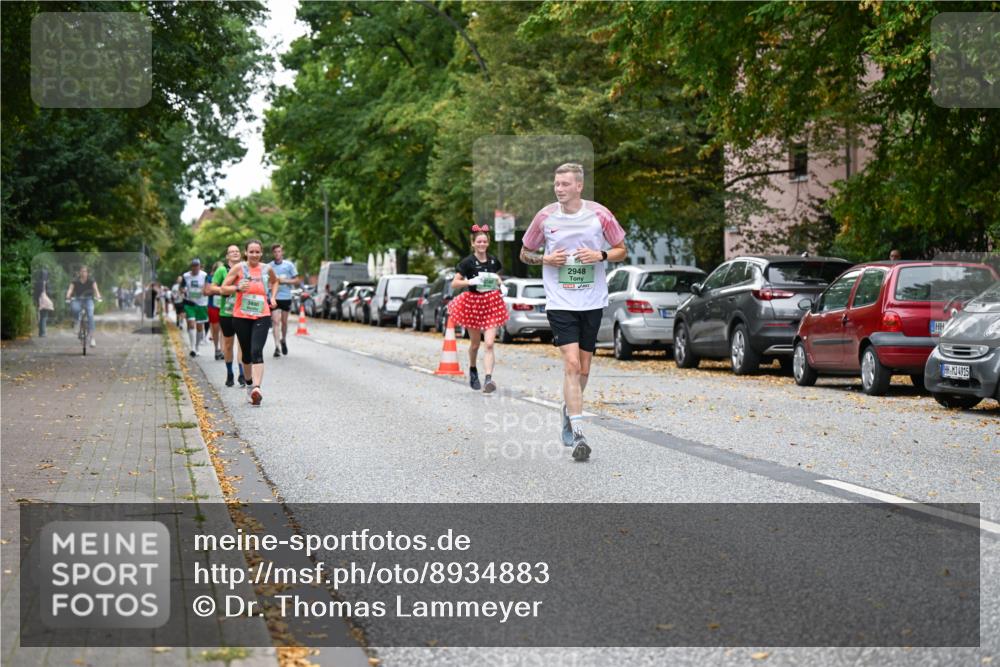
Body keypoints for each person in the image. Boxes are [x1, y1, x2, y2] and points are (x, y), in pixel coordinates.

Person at [520, 163, 627, 462]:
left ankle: (570, 408)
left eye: (565, 184)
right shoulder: (544, 217)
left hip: (592, 301)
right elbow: (524, 253)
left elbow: (621, 249)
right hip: (560, 302)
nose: (559, 188)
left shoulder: (600, 215)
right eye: (556, 183)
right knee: (570, 364)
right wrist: (545, 258)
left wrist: (600, 255)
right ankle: (578, 432)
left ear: (579, 186)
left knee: (584, 368)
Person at [447, 224, 509, 393]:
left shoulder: (494, 260)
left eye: (484, 241)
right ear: (473, 244)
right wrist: (469, 282)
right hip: (473, 304)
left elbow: (495, 276)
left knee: (489, 344)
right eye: (478, 242)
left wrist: (501, 286)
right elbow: (454, 283)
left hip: (491, 304)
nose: (482, 244)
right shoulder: (467, 262)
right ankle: (473, 369)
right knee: (475, 344)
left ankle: (488, 379)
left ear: (488, 243)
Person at [220, 239, 279, 406]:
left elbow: (275, 281)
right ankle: (248, 385)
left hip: (262, 314)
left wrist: (272, 296)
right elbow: (223, 288)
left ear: (261, 253)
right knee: (246, 354)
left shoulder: (267, 268)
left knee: (256, 350)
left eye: (257, 252)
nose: (254, 254)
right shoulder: (239, 268)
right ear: (246, 253)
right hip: (241, 316)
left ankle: (257, 388)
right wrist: (237, 288)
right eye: (251, 251)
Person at [207, 245, 247, 387]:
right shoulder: (222, 270)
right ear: (227, 256)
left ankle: (242, 374)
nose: (235, 253)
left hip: (242, 312)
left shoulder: (245, 268)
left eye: (237, 251)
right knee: (228, 345)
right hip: (227, 312)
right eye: (232, 252)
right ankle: (230, 373)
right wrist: (225, 290)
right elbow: (212, 287)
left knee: (242, 344)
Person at [268, 244, 299, 357]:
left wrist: (284, 281)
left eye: (279, 251)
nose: (277, 254)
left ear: (282, 253)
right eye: (275, 252)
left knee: (284, 322)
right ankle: (276, 347)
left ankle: (283, 340)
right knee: (275, 321)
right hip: (274, 297)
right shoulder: (269, 266)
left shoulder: (289, 265)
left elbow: (296, 280)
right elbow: (266, 281)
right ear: (273, 253)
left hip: (286, 297)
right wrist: (270, 285)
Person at [65, 265, 103, 347]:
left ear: (87, 273)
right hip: (77, 299)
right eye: (82, 271)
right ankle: (77, 322)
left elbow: (96, 289)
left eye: (85, 271)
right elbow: (70, 289)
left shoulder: (91, 280)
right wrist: (68, 296)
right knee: (75, 309)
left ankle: (92, 338)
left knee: (90, 315)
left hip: (88, 299)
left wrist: (98, 296)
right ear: (79, 272)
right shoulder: (75, 280)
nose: (83, 273)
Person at [181, 259, 210, 357]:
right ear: (191, 267)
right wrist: (183, 290)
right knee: (191, 323)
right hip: (190, 303)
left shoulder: (204, 275)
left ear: (199, 266)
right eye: (193, 266)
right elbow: (182, 287)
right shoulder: (186, 276)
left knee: (199, 326)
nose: (195, 268)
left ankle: (197, 347)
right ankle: (192, 347)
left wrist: (205, 290)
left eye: (197, 266)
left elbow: (207, 287)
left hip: (201, 303)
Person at [206, 260, 224, 360]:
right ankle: (216, 349)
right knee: (216, 329)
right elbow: (207, 292)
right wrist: (218, 290)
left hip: (224, 306)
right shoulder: (209, 278)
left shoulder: (226, 277)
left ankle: (222, 350)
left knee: (223, 329)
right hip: (213, 306)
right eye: (219, 269)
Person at [34, 267, 54, 337]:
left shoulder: (37, 282)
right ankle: (43, 333)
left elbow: (35, 293)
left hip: (39, 301)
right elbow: (49, 293)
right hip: (45, 302)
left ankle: (41, 332)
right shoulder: (45, 283)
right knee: (44, 317)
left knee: (41, 316)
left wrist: (36, 301)